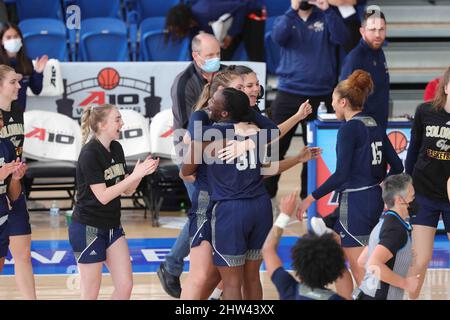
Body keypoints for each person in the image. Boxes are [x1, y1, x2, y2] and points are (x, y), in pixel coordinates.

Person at [179, 68, 318, 299]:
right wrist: (249, 139)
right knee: (241, 276)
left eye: (248, 86)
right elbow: (268, 164)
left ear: (225, 110)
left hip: (228, 207)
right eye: (241, 87)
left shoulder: (217, 131)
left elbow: (186, 171)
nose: (248, 91)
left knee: (227, 280)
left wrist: (204, 148)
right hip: (256, 205)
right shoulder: (250, 127)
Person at [297, 70, 404, 299]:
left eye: (334, 101)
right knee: (330, 253)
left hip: (355, 203)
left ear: (343, 102)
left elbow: (341, 175)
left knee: (364, 273)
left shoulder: (349, 128)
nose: (332, 105)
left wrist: (309, 198)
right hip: (371, 199)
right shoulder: (373, 123)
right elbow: (397, 166)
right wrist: (380, 185)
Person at [68, 104, 159, 300]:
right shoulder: (89, 153)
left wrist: (140, 174)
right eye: (117, 119)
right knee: (90, 293)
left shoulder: (116, 148)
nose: (122, 123)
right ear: (102, 125)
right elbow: (103, 196)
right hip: (88, 228)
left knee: (125, 286)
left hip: (112, 226)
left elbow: (127, 189)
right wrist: (135, 174)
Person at [159, 32, 223, 299]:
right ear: (196, 56)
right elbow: (190, 132)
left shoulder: (224, 75)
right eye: (209, 56)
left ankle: (215, 278)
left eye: (218, 54)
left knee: (211, 213)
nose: (215, 60)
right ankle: (172, 266)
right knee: (202, 213)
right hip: (191, 155)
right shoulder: (183, 83)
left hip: (220, 151)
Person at [266, 0, 349, 200]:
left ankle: (309, 199)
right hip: (288, 92)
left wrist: (327, 9)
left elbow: (343, 37)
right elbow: (277, 38)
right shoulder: (286, 17)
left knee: (314, 151)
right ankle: (265, 197)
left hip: (320, 94)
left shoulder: (327, 15)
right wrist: (293, 9)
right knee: (274, 146)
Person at [405, 66, 450, 300]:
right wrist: (407, 183)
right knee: (420, 259)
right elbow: (413, 151)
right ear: (446, 87)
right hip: (424, 194)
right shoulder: (425, 111)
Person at [262, 191, 346, 300]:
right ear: (337, 269)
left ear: (297, 262)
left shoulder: (288, 288)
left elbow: (268, 249)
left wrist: (284, 215)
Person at [0, 64, 36, 299]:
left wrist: (16, 173)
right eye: (13, 82)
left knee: (23, 254)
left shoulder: (18, 110)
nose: (18, 86)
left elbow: (16, 151)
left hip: (13, 187)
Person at [356, 174, 420, 300]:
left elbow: (363, 260)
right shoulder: (396, 230)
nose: (415, 200)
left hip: (367, 295)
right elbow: (373, 263)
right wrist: (405, 283)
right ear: (400, 200)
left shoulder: (384, 223)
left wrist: (402, 257)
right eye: (412, 197)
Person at [165, 1, 265, 61]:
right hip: (232, 20)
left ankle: (261, 87)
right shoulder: (192, 26)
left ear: (185, 22)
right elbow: (193, 47)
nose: (178, 33)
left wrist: (230, 35)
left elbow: (243, 7)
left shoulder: (207, 11)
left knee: (255, 55)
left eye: (178, 29)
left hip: (251, 12)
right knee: (220, 57)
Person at [340, 8, 389, 129]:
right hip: (361, 130)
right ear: (362, 31)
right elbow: (344, 98)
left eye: (381, 29)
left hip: (379, 126)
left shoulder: (379, 52)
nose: (377, 34)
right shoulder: (355, 58)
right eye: (372, 30)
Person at [0, 109, 27, 273]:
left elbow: (13, 196)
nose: (0, 123)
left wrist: (16, 178)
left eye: (1, 118)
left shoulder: (7, 146)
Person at [0, 23, 47, 112]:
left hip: (18, 115)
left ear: (21, 38)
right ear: (1, 41)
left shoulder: (26, 62)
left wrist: (38, 72)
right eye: (8, 37)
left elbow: (37, 90)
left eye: (16, 36)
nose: (13, 40)